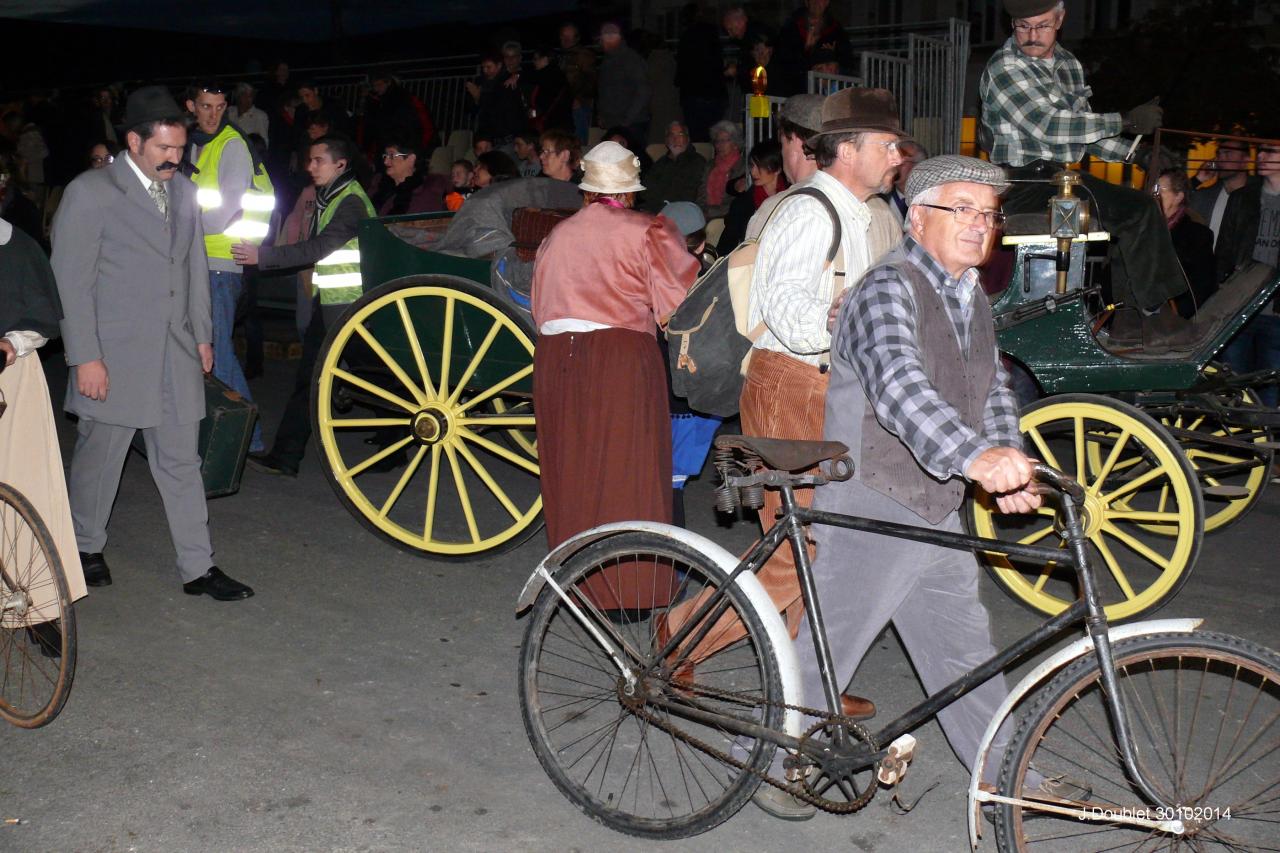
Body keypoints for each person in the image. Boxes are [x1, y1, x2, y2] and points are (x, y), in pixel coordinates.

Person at [759, 156, 1085, 821]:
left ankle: (1006, 777)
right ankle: (759, 762)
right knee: (826, 659)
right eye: (961, 209)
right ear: (918, 218)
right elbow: (901, 390)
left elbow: (990, 390)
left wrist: (1006, 462)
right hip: (873, 498)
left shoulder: (971, 296)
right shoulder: (888, 289)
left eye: (988, 213)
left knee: (964, 653)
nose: (979, 224)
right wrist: (975, 458)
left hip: (934, 502)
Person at [671, 90, 906, 725]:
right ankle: (680, 636)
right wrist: (842, 321)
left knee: (817, 544)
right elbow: (788, 312)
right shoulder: (810, 214)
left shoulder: (857, 212)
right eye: (888, 145)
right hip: (790, 385)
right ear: (849, 149)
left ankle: (805, 686)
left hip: (823, 388)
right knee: (800, 550)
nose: (898, 155)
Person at [51, 85, 254, 601]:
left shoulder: (184, 192)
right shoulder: (91, 192)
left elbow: (193, 269)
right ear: (134, 141)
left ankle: (198, 568)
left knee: (182, 461)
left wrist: (203, 337)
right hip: (114, 355)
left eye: (180, 149)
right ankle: (84, 546)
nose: (174, 158)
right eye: (164, 148)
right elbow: (72, 281)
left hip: (176, 351)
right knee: (103, 456)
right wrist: (85, 357)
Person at [531, 141, 699, 607]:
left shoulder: (556, 235)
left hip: (554, 359)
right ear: (628, 193)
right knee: (629, 469)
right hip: (619, 355)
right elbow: (679, 305)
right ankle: (630, 590)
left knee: (575, 469)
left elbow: (541, 308)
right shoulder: (648, 230)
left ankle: (579, 582)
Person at [978, 0, 1189, 346]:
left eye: (1042, 25)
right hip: (1021, 182)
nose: (1031, 36)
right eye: (1022, 26)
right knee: (1138, 210)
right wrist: (1125, 120)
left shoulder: (1068, 64)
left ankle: (1133, 319)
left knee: (1133, 211)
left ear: (1060, 19)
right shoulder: (1004, 67)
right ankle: (1152, 315)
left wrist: (1136, 152)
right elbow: (1048, 125)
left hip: (1056, 176)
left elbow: (1083, 133)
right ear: (1011, 23)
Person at [234, 135, 375, 477]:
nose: (310, 167)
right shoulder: (334, 197)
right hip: (335, 306)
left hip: (346, 308)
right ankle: (287, 456)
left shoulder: (350, 202)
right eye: (310, 160)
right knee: (335, 378)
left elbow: (319, 248)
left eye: (317, 161)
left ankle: (286, 456)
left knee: (326, 380)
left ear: (340, 164)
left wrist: (263, 256)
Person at [1, 214, 88, 653]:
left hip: (9, 373)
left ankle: (32, 608)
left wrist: (12, 342)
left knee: (25, 488)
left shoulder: (16, 245)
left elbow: (42, 313)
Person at [185, 80, 274, 455]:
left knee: (217, 352)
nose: (213, 113)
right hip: (200, 260)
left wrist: (175, 232)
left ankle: (247, 441)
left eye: (220, 107)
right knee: (204, 351)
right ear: (191, 106)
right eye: (206, 106)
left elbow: (222, 214)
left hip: (221, 263)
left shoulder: (232, 145)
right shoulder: (192, 143)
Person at [1216, 142, 1280, 408]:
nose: (1261, 157)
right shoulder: (1243, 197)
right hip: (1240, 308)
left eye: (1271, 152)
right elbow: (1224, 251)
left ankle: (1265, 447)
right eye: (1260, 151)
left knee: (1271, 392)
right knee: (1233, 388)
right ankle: (1235, 447)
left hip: (1277, 314)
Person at [1154, 169, 1217, 319]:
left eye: (1159, 191)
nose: (1153, 196)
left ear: (1178, 197)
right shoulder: (1143, 228)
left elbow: (1201, 286)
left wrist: (1175, 317)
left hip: (1172, 319)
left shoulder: (1196, 235)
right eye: (1152, 190)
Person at [718, 137, 788, 253]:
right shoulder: (743, 204)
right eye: (752, 166)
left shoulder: (790, 197)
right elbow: (726, 247)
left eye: (760, 166)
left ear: (777, 169)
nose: (753, 172)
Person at [774, 0, 855, 96]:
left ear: (827, 2)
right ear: (806, 2)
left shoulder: (836, 29)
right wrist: (806, 49)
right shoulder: (791, 26)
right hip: (798, 90)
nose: (817, 2)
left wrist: (833, 56)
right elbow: (783, 61)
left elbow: (848, 61)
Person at [675, 3, 727, 143]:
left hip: (694, 94)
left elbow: (681, 70)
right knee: (714, 137)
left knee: (698, 137)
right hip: (713, 93)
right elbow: (717, 61)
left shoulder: (687, 37)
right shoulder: (711, 33)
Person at [595, 23, 651, 145]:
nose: (600, 42)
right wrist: (602, 114)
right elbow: (603, 90)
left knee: (632, 160)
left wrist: (627, 120)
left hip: (632, 125)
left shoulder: (631, 60)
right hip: (614, 124)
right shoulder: (607, 61)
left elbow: (643, 92)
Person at [1190, 139, 1252, 247]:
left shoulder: (1260, 196)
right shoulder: (1204, 196)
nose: (1220, 159)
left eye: (1228, 153)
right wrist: (1198, 179)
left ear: (1245, 161)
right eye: (1219, 153)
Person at [639, 121, 706, 213]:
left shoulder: (697, 162)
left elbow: (689, 194)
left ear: (688, 139)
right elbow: (645, 188)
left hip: (679, 213)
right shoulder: (661, 163)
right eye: (671, 135)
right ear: (666, 141)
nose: (676, 139)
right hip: (651, 210)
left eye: (680, 134)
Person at [369, 140, 449, 216]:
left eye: (392, 156)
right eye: (385, 156)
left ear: (411, 159)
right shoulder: (379, 185)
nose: (385, 162)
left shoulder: (428, 193)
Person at [465, 52, 525, 147]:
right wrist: (475, 99)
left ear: (499, 65)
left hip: (507, 135)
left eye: (489, 67)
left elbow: (500, 108)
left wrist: (478, 97)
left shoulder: (507, 82)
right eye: (483, 67)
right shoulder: (481, 82)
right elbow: (471, 109)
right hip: (489, 136)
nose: (485, 70)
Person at [556, 21, 597, 144]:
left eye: (569, 37)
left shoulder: (584, 55)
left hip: (578, 106)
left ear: (577, 38)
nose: (566, 39)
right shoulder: (560, 55)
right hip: (563, 106)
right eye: (563, 36)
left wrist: (579, 98)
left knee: (578, 143)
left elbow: (592, 81)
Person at [699, 119, 746, 218]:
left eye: (724, 140)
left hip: (728, 217)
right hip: (704, 214)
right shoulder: (710, 166)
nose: (720, 145)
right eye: (717, 141)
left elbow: (735, 202)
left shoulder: (743, 167)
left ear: (735, 144)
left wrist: (709, 213)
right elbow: (700, 194)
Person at [526, 44, 573, 135]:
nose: (533, 62)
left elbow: (543, 102)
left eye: (536, 59)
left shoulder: (546, 76)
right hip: (558, 123)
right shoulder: (556, 75)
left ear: (545, 59)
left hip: (554, 124)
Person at [229, 82, 269, 146]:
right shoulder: (229, 112)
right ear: (238, 97)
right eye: (244, 96)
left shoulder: (259, 115)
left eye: (250, 96)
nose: (248, 99)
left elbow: (264, 142)